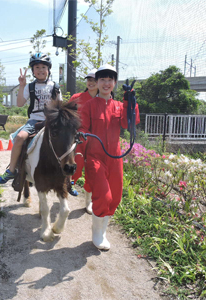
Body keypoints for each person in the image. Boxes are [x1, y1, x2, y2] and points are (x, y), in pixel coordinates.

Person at [79, 64, 140, 250]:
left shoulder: (119, 106)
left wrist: (131, 103)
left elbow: (131, 123)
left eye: (110, 80)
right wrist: (82, 137)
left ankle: (102, 231)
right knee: (103, 196)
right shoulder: (89, 106)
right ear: (96, 82)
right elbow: (82, 128)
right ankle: (96, 234)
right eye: (102, 79)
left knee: (114, 197)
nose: (106, 83)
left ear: (115, 83)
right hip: (95, 157)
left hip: (115, 157)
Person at [0, 53, 62, 184]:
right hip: (34, 121)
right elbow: (20, 103)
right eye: (37, 67)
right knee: (20, 137)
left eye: (43, 67)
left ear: (48, 70)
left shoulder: (55, 87)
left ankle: (67, 175)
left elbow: (60, 106)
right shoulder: (29, 87)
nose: (40, 70)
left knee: (67, 140)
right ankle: (12, 170)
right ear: (33, 71)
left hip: (51, 121)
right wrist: (21, 85)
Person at [67, 69, 98, 209]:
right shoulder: (77, 97)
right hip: (78, 137)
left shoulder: (103, 99)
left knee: (93, 170)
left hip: (96, 139)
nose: (91, 82)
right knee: (77, 165)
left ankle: (89, 201)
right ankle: (68, 186)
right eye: (89, 79)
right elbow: (65, 115)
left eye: (95, 80)